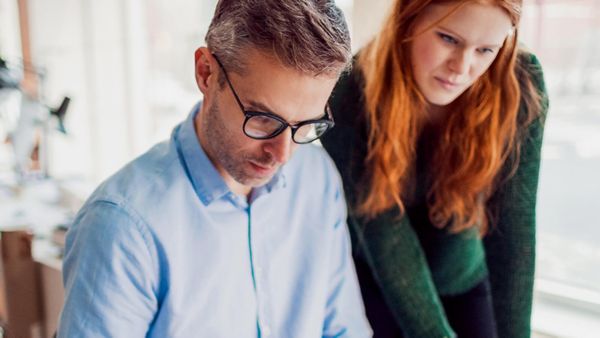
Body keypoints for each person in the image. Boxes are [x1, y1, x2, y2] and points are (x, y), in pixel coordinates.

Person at [57, 1, 372, 337]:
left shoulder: (316, 178)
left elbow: (344, 329)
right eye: (263, 118)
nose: (282, 154)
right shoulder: (122, 228)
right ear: (206, 72)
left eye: (305, 125)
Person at [321, 0, 549, 337]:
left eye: (485, 49)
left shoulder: (521, 82)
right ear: (408, 19)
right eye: (448, 39)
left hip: (462, 275)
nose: (461, 67)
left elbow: (514, 230)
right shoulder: (350, 90)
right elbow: (386, 237)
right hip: (377, 278)